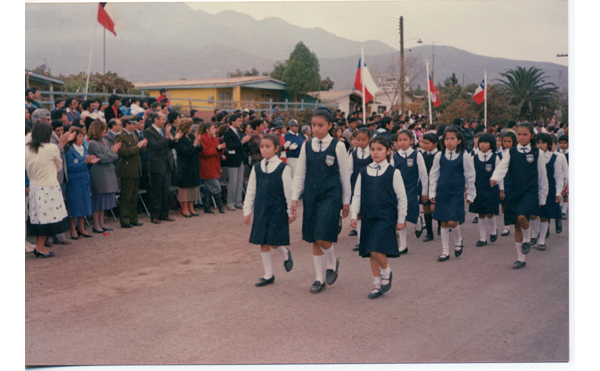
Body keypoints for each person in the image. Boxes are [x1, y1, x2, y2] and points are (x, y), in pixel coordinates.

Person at [291, 107, 351, 294]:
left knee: (322, 235)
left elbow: (344, 174)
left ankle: (332, 262)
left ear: (330, 126)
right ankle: (319, 278)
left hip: (331, 195)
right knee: (314, 238)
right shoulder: (306, 145)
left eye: (320, 125)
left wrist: (346, 200)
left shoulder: (338, 146)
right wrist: (294, 197)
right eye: (313, 125)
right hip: (311, 195)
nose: (316, 129)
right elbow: (300, 172)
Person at [350, 135, 407, 299]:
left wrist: (401, 219)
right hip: (368, 216)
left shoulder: (393, 172)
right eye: (372, 149)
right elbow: (357, 195)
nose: (375, 153)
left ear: (388, 151)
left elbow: (401, 197)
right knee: (371, 251)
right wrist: (354, 214)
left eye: (380, 149)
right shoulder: (364, 171)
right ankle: (377, 284)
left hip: (386, 216)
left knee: (377, 248)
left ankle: (386, 272)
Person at [490, 122, 548, 269]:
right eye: (519, 134)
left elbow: (542, 176)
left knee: (523, 217)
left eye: (525, 134)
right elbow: (502, 166)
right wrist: (495, 178)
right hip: (514, 191)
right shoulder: (511, 152)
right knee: (517, 224)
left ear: (531, 136)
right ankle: (520, 258)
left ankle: (528, 237)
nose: (521, 137)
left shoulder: (537, 153)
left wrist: (542, 197)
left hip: (530, 191)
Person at [243, 135, 295, 287]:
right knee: (262, 241)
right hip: (261, 208)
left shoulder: (283, 168)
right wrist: (247, 211)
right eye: (262, 147)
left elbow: (288, 192)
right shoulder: (257, 167)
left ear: (277, 149)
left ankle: (284, 253)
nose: (264, 150)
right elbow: (251, 190)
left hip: (277, 209)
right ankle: (268, 274)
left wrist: (290, 212)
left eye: (268, 147)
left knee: (272, 239)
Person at [428, 126, 476, 262]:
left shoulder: (464, 156)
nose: (449, 141)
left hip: (456, 193)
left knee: (452, 221)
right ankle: (445, 251)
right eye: (446, 139)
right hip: (442, 192)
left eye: (452, 139)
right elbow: (434, 174)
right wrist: (432, 191)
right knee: (443, 221)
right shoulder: (439, 155)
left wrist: (471, 194)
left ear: (459, 141)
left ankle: (458, 240)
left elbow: (470, 176)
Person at [25, 123, 71, 258]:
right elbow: (58, 167)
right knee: (49, 218)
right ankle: (40, 246)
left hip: (34, 187)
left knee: (39, 217)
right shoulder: (52, 148)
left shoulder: (26, 149)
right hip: (49, 187)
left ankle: (41, 245)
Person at [391, 130, 429, 254]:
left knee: (411, 211)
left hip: (412, 189)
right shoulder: (395, 156)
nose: (402, 142)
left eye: (405, 140)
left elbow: (423, 174)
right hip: (398, 191)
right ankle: (403, 245)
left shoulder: (416, 155)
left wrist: (424, 191)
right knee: (401, 216)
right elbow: (390, 174)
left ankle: (418, 220)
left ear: (411, 141)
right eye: (399, 140)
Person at [529, 133, 563, 251]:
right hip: (534, 189)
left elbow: (559, 177)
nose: (540, 145)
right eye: (538, 143)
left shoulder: (554, 158)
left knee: (544, 215)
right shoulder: (532, 156)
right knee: (532, 214)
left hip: (549, 190)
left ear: (548, 144)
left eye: (542, 143)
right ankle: (535, 232)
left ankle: (541, 240)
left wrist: (558, 192)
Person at [469, 134, 503, 246]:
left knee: (489, 212)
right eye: (480, 142)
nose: (482, 144)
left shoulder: (495, 157)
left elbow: (500, 174)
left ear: (491, 144)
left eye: (485, 142)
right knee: (481, 214)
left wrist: (501, 190)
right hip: (478, 188)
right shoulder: (474, 156)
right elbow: (470, 174)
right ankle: (482, 238)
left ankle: (494, 230)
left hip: (491, 188)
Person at [144, 112, 178, 223]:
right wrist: (167, 137)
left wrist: (174, 139)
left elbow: (170, 146)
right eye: (163, 119)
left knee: (165, 191)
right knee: (156, 191)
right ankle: (155, 215)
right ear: (156, 120)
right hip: (156, 165)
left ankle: (165, 214)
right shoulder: (148, 132)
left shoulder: (164, 131)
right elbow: (155, 146)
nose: (165, 121)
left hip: (167, 164)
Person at [115, 116, 148, 228]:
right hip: (127, 169)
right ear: (127, 124)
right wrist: (138, 146)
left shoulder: (133, 135)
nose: (135, 126)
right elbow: (124, 152)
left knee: (134, 196)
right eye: (133, 124)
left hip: (134, 168)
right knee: (126, 196)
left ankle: (133, 218)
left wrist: (143, 146)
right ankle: (125, 220)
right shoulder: (120, 136)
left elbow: (138, 152)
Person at [87, 120, 120, 233]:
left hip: (107, 173)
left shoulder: (104, 141)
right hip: (99, 174)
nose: (105, 131)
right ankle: (96, 224)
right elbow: (103, 158)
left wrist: (111, 154)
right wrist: (113, 153)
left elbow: (109, 156)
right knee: (98, 200)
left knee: (104, 201)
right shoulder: (92, 143)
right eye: (103, 129)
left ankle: (102, 222)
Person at [64, 127, 97, 239]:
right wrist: (85, 162)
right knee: (74, 205)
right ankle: (73, 229)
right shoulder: (69, 151)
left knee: (84, 204)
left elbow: (86, 164)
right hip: (74, 182)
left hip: (84, 180)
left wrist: (90, 162)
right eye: (79, 136)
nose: (82, 138)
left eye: (83, 136)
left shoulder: (84, 149)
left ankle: (81, 228)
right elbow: (70, 167)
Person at [347, 128, 372, 247]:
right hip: (356, 186)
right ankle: (360, 240)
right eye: (358, 139)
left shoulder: (373, 152)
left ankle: (371, 238)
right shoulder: (353, 153)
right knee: (358, 213)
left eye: (364, 140)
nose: (361, 142)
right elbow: (349, 171)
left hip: (371, 186)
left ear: (369, 139)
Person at [174, 118, 203, 217]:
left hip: (194, 165)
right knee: (185, 188)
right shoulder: (180, 139)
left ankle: (191, 207)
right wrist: (194, 145)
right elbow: (184, 151)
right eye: (190, 126)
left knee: (193, 187)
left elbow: (200, 149)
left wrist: (198, 142)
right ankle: (184, 208)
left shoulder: (191, 136)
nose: (191, 128)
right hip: (185, 166)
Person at [224, 113, 252, 210]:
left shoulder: (239, 132)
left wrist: (245, 142)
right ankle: (230, 203)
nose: (240, 123)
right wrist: (242, 142)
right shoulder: (227, 133)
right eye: (238, 121)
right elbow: (230, 146)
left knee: (240, 181)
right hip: (233, 159)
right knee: (233, 182)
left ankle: (238, 201)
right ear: (232, 121)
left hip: (240, 158)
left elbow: (242, 146)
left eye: (241, 121)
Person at [198, 122, 226, 214]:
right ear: (207, 130)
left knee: (208, 188)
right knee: (216, 187)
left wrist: (221, 149)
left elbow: (216, 151)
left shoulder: (214, 138)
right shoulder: (202, 138)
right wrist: (218, 149)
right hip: (207, 165)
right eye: (213, 128)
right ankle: (220, 207)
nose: (215, 130)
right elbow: (204, 153)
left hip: (214, 164)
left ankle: (207, 207)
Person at [419, 133, 441, 242]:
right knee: (426, 208)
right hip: (424, 184)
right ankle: (429, 232)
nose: (425, 145)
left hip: (436, 185)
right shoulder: (423, 155)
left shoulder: (439, 155)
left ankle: (441, 225)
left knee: (434, 207)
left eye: (427, 143)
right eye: (423, 143)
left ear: (435, 144)